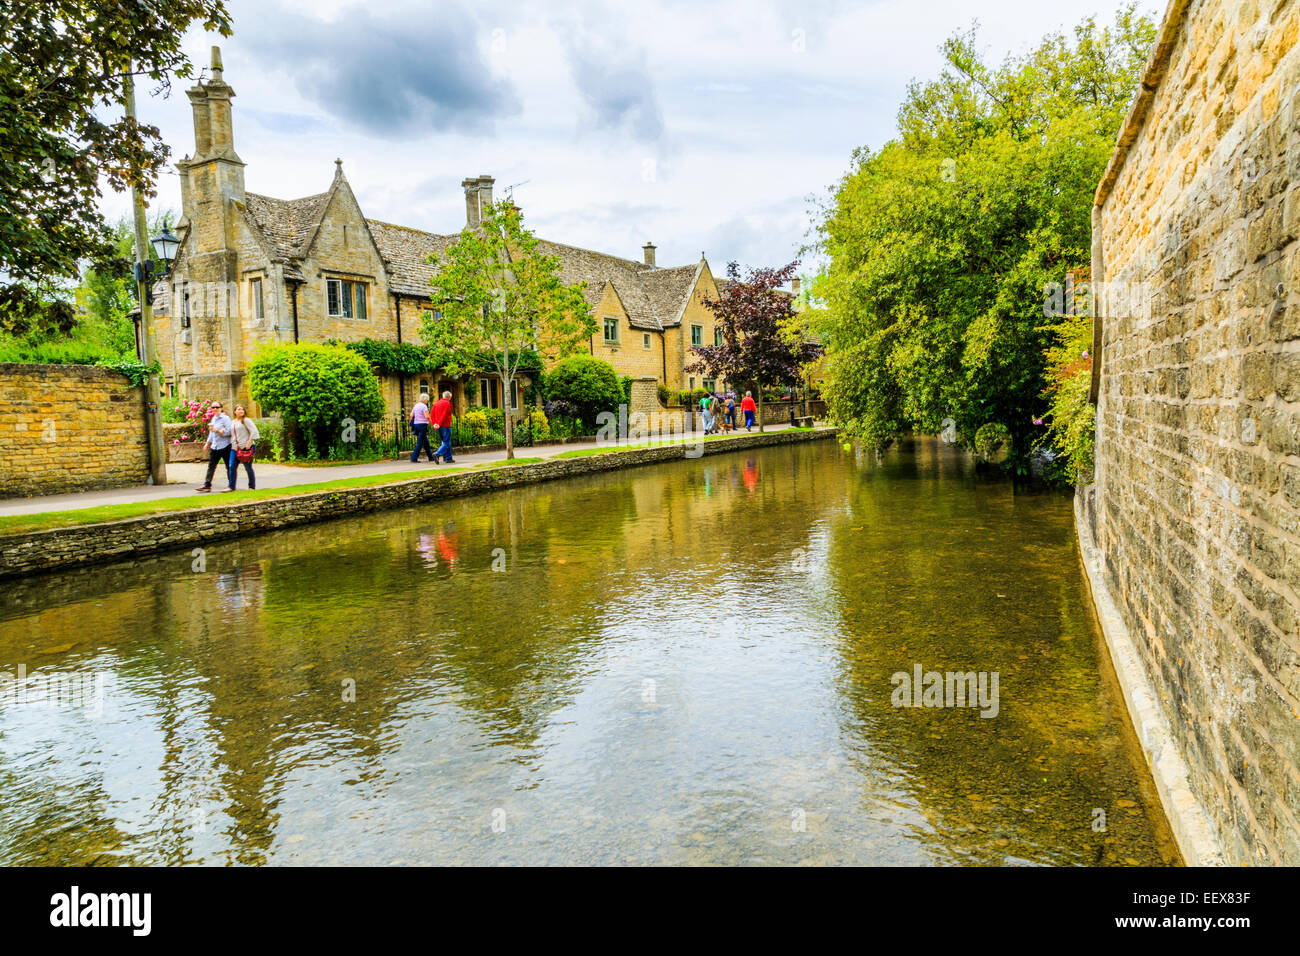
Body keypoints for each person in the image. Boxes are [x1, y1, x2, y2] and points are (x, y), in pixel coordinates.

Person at [196, 400, 234, 492]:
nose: (215, 409)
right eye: (213, 407)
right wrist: (207, 444)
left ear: (221, 408)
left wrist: (217, 430)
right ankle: (207, 485)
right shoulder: (213, 419)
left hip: (225, 446)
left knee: (228, 466)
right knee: (211, 466)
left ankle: (231, 485)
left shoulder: (225, 418)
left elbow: (229, 432)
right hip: (215, 446)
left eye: (217, 407)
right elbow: (211, 434)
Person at [227, 404, 260, 491]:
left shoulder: (246, 420)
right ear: (235, 412)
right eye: (238, 409)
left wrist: (249, 443)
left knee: (248, 467)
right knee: (231, 466)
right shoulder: (233, 422)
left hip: (246, 448)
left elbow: (254, 431)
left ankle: (251, 486)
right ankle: (231, 486)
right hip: (235, 448)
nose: (241, 411)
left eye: (242, 409)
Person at [431, 390, 455, 463]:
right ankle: (437, 454)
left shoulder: (436, 403)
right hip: (445, 425)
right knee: (446, 442)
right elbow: (444, 414)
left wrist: (434, 423)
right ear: (449, 397)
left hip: (438, 426)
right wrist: (439, 423)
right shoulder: (447, 403)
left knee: (446, 441)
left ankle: (448, 458)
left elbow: (432, 414)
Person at [409, 392, 434, 463]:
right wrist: (431, 423)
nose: (427, 402)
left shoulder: (416, 406)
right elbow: (427, 416)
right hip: (422, 425)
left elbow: (411, 415)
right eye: (427, 400)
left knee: (425, 442)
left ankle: (431, 457)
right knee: (420, 443)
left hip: (416, 424)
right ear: (425, 400)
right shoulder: (424, 406)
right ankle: (414, 458)